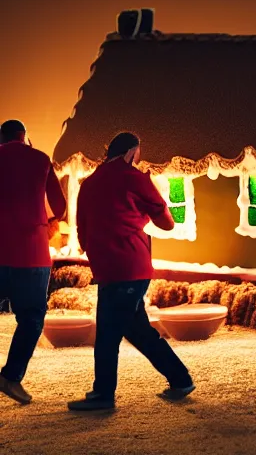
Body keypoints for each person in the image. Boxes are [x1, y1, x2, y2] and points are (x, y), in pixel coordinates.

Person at [68, 132, 195, 411]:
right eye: (138, 155)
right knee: (130, 330)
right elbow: (167, 223)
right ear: (131, 153)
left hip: (108, 267)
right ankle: (179, 379)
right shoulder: (135, 179)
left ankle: (104, 394)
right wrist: (142, 213)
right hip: (132, 265)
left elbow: (82, 231)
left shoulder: (88, 183)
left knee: (112, 332)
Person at [0, 119, 67, 405]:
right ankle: (11, 377)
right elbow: (61, 207)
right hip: (32, 252)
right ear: (24, 137)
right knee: (31, 317)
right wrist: (48, 223)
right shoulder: (41, 159)